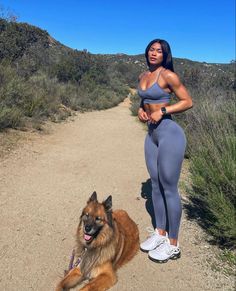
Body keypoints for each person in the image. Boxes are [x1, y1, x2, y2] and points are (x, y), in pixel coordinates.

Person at [138, 39, 193, 263]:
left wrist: (163, 109)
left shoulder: (168, 76)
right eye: (151, 49)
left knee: (169, 187)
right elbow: (143, 102)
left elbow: (188, 101)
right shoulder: (142, 76)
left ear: (165, 55)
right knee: (155, 185)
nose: (154, 53)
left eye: (159, 51)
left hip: (170, 134)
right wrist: (141, 110)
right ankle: (160, 233)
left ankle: (173, 243)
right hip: (152, 135)